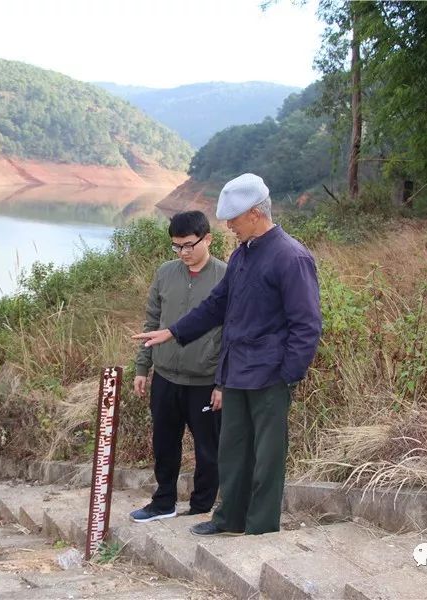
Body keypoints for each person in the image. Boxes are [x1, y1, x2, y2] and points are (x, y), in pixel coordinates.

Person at [132, 173, 322, 536]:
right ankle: (228, 519)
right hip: (236, 372)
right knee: (232, 451)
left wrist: (288, 375)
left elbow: (307, 325)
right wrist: (173, 331)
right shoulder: (242, 255)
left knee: (267, 456)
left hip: (270, 376)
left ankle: (260, 527)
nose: (229, 227)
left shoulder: (291, 256)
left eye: (233, 220)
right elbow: (217, 305)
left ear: (254, 213)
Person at [129, 211, 227, 523]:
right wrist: (142, 367)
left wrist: (222, 383)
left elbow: (233, 334)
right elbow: (152, 322)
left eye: (188, 245)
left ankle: (201, 508)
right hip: (165, 377)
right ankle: (163, 503)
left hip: (205, 380)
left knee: (208, 449)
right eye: (176, 246)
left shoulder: (225, 277)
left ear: (208, 239)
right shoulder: (165, 273)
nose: (183, 253)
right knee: (164, 444)